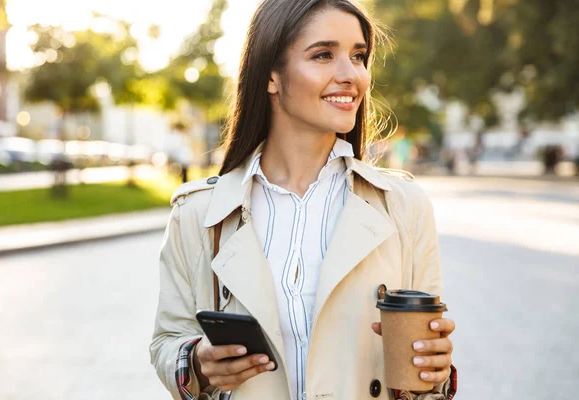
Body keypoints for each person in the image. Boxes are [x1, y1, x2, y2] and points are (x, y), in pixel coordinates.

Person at [150, 1, 457, 399]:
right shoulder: (197, 213)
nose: (352, 75)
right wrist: (197, 361)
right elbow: (167, 341)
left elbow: (428, 374)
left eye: (359, 56)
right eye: (324, 55)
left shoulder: (404, 206)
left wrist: (434, 370)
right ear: (271, 76)